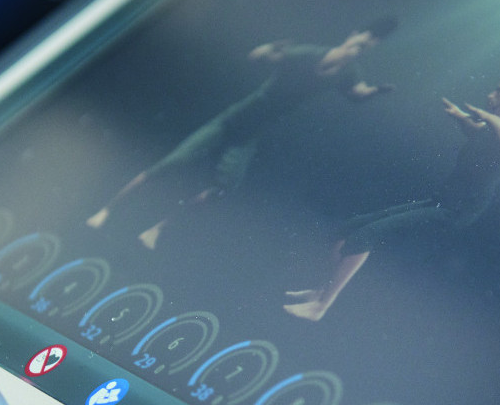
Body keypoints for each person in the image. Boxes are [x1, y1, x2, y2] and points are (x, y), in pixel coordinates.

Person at [85, 17, 398, 248]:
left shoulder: (349, 72)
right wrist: (269, 49)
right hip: (232, 120)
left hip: (250, 134)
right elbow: (260, 57)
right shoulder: (308, 53)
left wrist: (373, 92)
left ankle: (157, 229)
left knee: (223, 189)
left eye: (366, 48)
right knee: (171, 164)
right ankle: (107, 209)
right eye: (359, 43)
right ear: (351, 34)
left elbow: (356, 92)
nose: (357, 51)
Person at [284, 62, 500, 321]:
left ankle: (321, 308)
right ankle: (320, 292)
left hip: (458, 209)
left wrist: (487, 115)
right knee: (349, 228)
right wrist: (460, 117)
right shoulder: (498, 124)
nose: (493, 94)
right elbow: (478, 134)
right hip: (441, 199)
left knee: (366, 235)